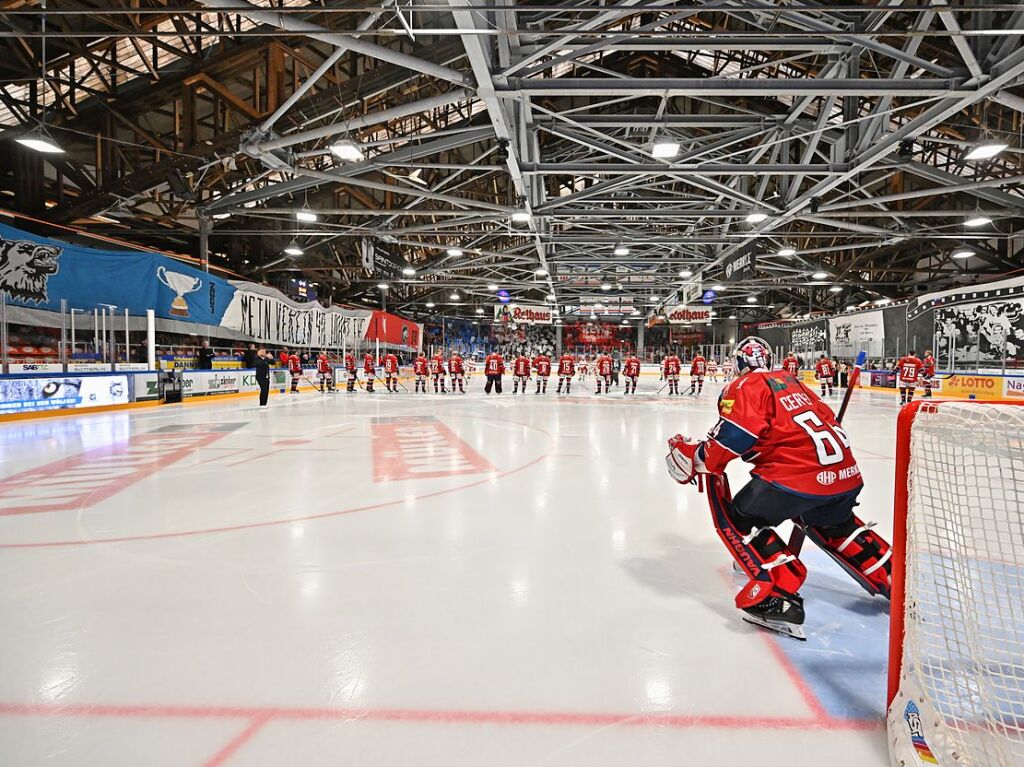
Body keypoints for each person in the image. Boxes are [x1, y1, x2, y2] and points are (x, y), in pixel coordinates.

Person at [665, 337, 892, 639]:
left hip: (795, 477)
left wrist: (693, 456)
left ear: (739, 362)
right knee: (835, 523)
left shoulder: (744, 387)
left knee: (741, 520)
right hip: (844, 475)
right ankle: (891, 574)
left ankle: (778, 593)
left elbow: (728, 443)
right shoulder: (793, 381)